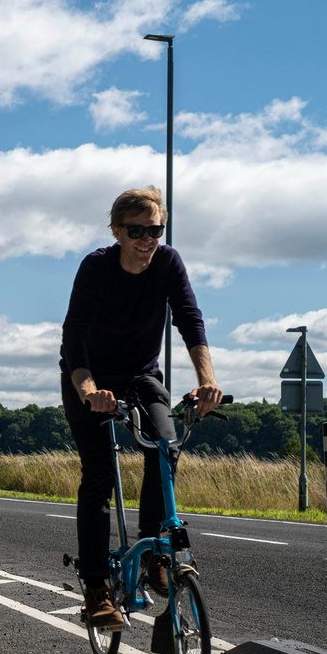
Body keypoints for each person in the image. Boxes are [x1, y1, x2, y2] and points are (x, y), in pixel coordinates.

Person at [59, 187, 224, 631]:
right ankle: (96, 588)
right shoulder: (96, 267)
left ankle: (153, 555)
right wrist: (89, 388)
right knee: (98, 475)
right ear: (117, 230)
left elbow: (190, 319)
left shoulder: (168, 263)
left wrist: (207, 380)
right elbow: (74, 335)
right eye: (137, 231)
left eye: (155, 230)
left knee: (164, 445)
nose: (147, 239)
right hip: (88, 376)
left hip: (141, 375)